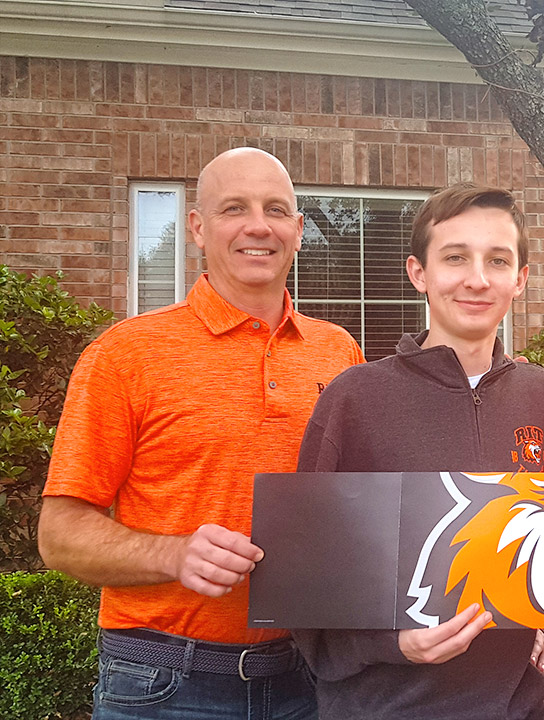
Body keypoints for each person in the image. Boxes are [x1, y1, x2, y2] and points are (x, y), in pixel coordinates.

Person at [38, 147, 363, 720]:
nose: (257, 226)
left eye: (276, 209)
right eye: (234, 208)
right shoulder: (125, 355)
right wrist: (173, 553)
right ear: (197, 227)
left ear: (298, 229)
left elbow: (363, 509)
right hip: (164, 681)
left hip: (310, 678)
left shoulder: (339, 352)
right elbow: (59, 535)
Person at [291, 182, 544, 720]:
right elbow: (302, 582)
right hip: (383, 706)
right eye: (455, 257)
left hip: (521, 706)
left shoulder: (543, 396)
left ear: (521, 280)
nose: (477, 279)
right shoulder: (355, 399)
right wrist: (393, 642)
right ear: (419, 273)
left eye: (497, 260)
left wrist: (541, 614)